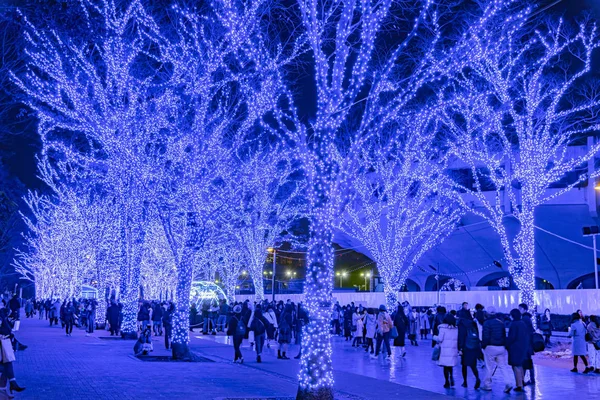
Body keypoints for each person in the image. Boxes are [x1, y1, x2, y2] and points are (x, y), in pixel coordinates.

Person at [481, 306, 512, 393]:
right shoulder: (500, 322)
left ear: (487, 313)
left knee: (489, 367)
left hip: (490, 347)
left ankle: (487, 385)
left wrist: (483, 346)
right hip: (501, 347)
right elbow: (503, 335)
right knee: (502, 366)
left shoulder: (486, 323)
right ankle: (508, 383)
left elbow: (485, 336)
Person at [0, 306, 25, 395]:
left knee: (8, 363)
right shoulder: (1, 317)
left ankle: (6, 388)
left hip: (4, 343)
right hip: (2, 343)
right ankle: (9, 385)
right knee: (5, 366)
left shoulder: (2, 317)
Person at [457, 306, 481, 389]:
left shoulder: (461, 323)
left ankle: (465, 382)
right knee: (473, 365)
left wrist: (460, 348)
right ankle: (477, 377)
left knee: (464, 365)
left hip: (465, 347)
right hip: (474, 346)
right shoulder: (473, 322)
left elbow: (461, 336)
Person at [434, 314, 458, 389]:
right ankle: (451, 376)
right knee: (450, 365)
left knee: (445, 367)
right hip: (453, 349)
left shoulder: (442, 328)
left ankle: (446, 381)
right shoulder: (456, 329)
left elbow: (440, 339)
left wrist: (434, 337)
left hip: (445, 349)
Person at [506, 309, 528, 392]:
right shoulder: (522, 323)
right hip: (522, 346)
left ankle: (519, 384)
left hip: (515, 347)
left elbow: (512, 337)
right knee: (520, 364)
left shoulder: (514, 324)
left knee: (515, 365)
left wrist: (506, 344)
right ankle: (522, 380)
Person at [518, 303, 535, 385]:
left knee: (526, 361)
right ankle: (529, 379)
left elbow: (524, 332)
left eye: (520, 309)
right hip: (528, 344)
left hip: (526, 344)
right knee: (527, 361)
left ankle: (523, 380)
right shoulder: (526, 318)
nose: (519, 310)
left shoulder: (524, 318)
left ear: (524, 309)